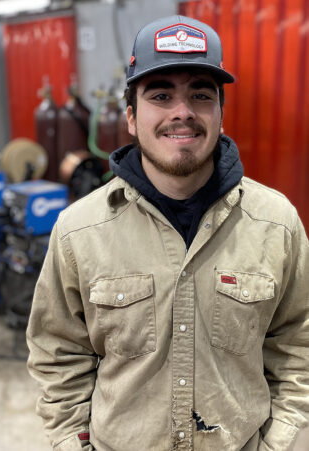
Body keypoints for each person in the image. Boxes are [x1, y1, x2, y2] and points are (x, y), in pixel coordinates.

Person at [26, 15, 309, 451]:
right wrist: (73, 443)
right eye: (161, 95)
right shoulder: (78, 232)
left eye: (201, 94)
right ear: (132, 118)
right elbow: (57, 355)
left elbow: (298, 344)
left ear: (220, 114)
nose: (183, 112)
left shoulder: (277, 224)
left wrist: (280, 440)